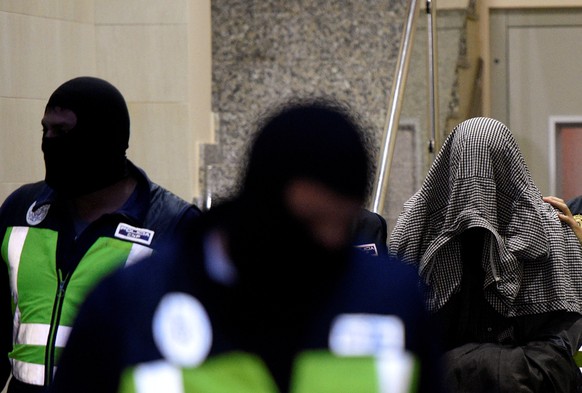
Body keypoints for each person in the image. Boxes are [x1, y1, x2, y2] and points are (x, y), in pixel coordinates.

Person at [50, 99, 443, 393]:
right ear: (259, 204)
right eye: (308, 221)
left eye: (343, 223)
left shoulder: (391, 298)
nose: (327, 241)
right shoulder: (131, 304)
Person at [0, 76, 201, 392]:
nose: (48, 142)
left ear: (102, 138)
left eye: (62, 131)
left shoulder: (173, 225)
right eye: (45, 130)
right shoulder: (20, 210)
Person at [389, 116, 582, 392]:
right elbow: (403, 347)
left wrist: (455, 364)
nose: (476, 188)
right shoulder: (416, 234)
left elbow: (556, 361)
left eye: (488, 171)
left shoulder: (550, 233)